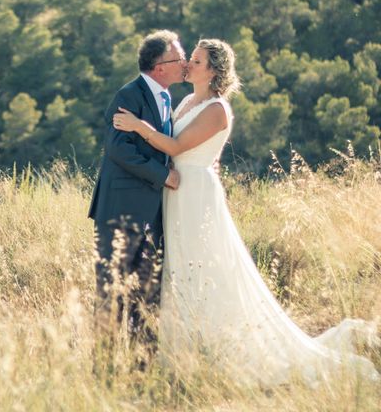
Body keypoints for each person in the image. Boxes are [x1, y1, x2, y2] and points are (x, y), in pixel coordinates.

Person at [112, 38, 380, 386]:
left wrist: (137, 127)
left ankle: (217, 351)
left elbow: (177, 146)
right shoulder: (187, 102)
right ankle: (184, 353)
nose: (188, 65)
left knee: (205, 268)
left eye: (195, 61)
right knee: (181, 268)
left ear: (213, 71)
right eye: (189, 59)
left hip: (196, 194)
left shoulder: (217, 109)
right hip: (177, 192)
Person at [88, 30, 185, 347]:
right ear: (160, 66)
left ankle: (141, 363)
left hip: (152, 213)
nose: (184, 63)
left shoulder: (167, 97)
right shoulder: (128, 95)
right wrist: (163, 175)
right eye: (179, 58)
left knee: (145, 291)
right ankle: (104, 364)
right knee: (111, 288)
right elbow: (119, 150)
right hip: (120, 209)